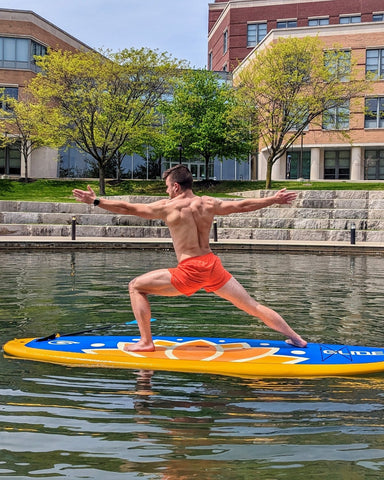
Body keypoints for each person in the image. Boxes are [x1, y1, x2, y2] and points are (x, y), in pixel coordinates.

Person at [72, 165, 307, 352]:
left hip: (190, 270)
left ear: (175, 186)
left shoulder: (169, 207)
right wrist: (273, 199)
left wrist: (96, 201)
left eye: (166, 187)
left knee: (135, 286)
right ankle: (296, 338)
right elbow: (242, 205)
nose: (165, 191)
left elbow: (129, 208)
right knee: (252, 306)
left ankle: (145, 342)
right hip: (212, 266)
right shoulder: (209, 203)